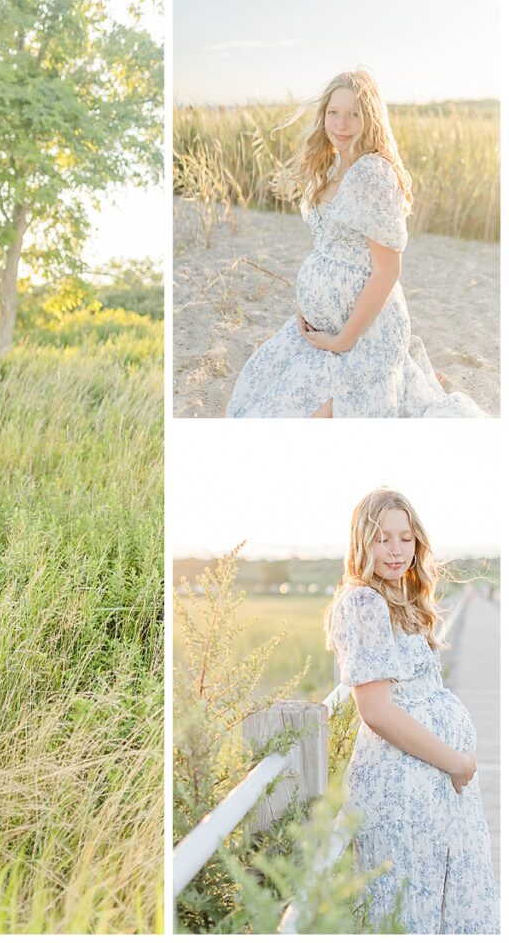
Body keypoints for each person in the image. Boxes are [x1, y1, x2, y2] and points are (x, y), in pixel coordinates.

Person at [226, 68, 486, 417]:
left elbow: (387, 270)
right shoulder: (333, 166)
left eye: (354, 114)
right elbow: (329, 247)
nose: (341, 123)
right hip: (321, 328)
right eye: (334, 112)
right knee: (258, 398)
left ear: (371, 119)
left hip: (362, 337)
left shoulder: (372, 174)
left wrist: (343, 340)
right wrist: (308, 304)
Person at [324, 487, 498, 932]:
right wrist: (457, 763)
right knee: (408, 912)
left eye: (406, 538)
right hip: (404, 788)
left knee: (433, 905)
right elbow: (377, 711)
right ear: (362, 542)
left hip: (431, 784)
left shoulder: (398, 597)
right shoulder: (364, 602)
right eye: (383, 538)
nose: (397, 550)